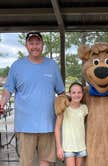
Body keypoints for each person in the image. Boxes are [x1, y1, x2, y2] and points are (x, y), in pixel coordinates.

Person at [0, 31, 65, 166]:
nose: (34, 46)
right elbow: (8, 90)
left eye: (37, 43)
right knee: (26, 162)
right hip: (25, 125)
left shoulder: (52, 65)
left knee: (45, 161)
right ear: (26, 45)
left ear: (42, 45)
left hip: (48, 124)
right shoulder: (17, 66)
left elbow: (61, 93)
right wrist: (2, 103)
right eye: (31, 43)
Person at [55, 82, 88, 166]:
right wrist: (59, 147)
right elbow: (57, 128)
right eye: (73, 92)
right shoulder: (64, 108)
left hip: (81, 147)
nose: (76, 95)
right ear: (69, 94)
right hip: (69, 148)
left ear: (82, 93)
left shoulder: (84, 108)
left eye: (79, 92)